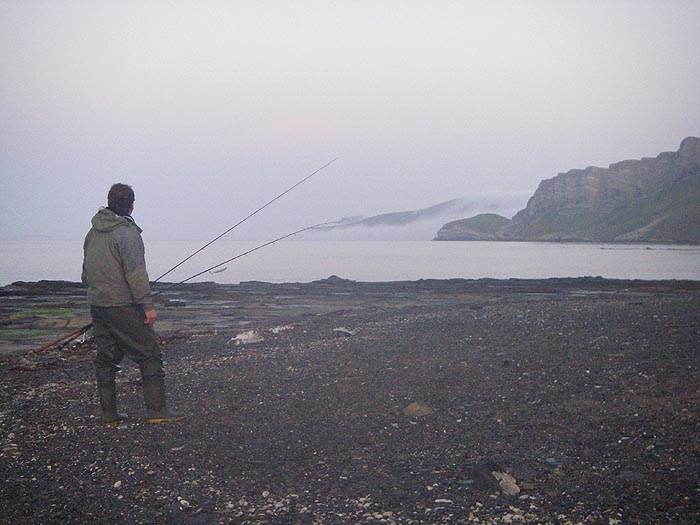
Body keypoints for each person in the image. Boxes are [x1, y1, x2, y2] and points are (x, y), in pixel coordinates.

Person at [82, 183, 185, 425]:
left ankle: (109, 414)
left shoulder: (92, 232)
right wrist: (147, 306)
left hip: (98, 303)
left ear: (109, 202)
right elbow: (136, 274)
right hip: (123, 304)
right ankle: (157, 410)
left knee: (106, 358)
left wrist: (96, 295)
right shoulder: (127, 233)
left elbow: (86, 272)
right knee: (149, 354)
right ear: (131, 205)